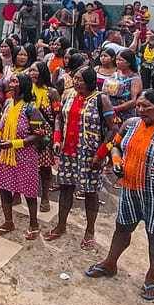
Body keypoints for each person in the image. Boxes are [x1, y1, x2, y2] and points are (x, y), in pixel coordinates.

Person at [85, 90, 154, 302]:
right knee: (122, 228)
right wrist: (117, 161)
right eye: (139, 106)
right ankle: (110, 263)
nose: (141, 110)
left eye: (147, 107)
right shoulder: (130, 125)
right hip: (130, 189)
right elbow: (115, 146)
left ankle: (152, 276)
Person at [48, 67, 114, 249]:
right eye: (75, 79)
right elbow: (59, 118)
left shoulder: (101, 99)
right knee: (65, 188)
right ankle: (61, 225)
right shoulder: (69, 95)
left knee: (90, 192)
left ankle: (90, 231)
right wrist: (57, 138)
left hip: (90, 155)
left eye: (81, 79)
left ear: (90, 81)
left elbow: (112, 129)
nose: (76, 82)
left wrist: (101, 154)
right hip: (68, 153)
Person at [0, 73, 46, 239]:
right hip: (5, 156)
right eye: (11, 81)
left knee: (29, 192)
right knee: (4, 189)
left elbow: (38, 137)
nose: (11, 84)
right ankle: (8, 222)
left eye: (15, 81)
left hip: (24, 157)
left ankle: (34, 224)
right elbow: (1, 124)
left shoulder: (31, 109)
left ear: (24, 85)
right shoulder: (8, 104)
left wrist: (13, 144)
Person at [29, 62, 62, 213]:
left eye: (35, 71)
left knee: (45, 168)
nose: (31, 74)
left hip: (45, 135)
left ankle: (45, 196)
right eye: (30, 71)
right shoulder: (27, 89)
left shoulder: (52, 92)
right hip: (29, 132)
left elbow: (57, 116)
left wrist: (57, 137)